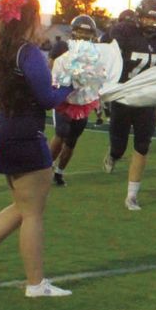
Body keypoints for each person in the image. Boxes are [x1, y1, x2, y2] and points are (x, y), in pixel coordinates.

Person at [0, 0, 73, 297]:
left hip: (6, 132)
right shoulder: (28, 53)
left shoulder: (3, 51)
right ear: (33, 18)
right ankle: (36, 283)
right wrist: (74, 85)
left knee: (22, 207)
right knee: (33, 212)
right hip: (26, 135)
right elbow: (47, 98)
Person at [103, 0, 156, 210]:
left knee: (142, 146)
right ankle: (113, 154)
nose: (151, 23)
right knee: (119, 146)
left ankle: (132, 196)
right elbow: (110, 56)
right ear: (138, 17)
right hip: (124, 96)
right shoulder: (124, 32)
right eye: (147, 18)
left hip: (147, 97)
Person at [49, 15, 100, 187]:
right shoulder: (62, 47)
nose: (84, 35)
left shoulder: (94, 51)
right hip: (63, 98)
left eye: (87, 32)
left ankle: (59, 172)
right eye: (80, 31)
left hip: (82, 100)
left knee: (72, 139)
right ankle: (44, 170)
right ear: (73, 31)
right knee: (61, 134)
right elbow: (51, 68)